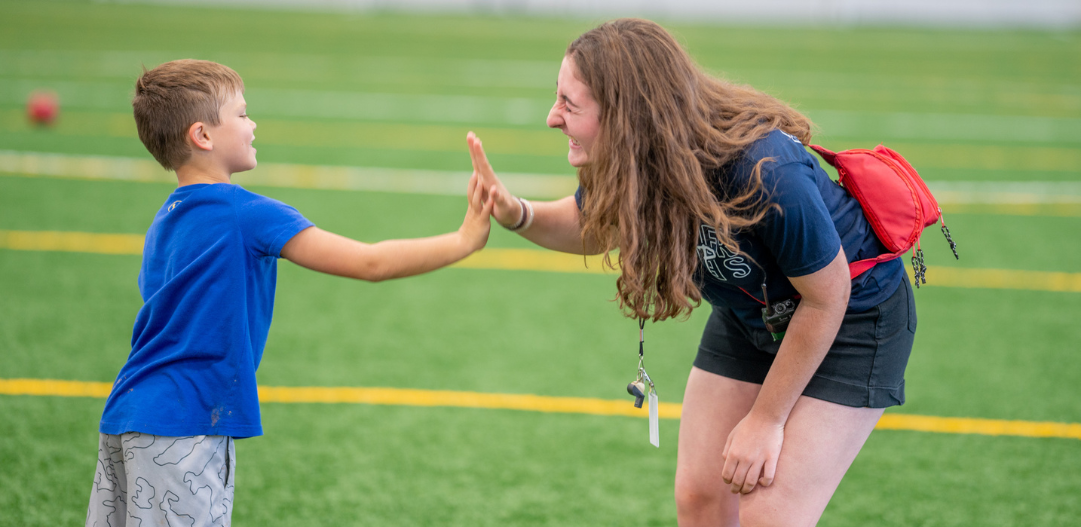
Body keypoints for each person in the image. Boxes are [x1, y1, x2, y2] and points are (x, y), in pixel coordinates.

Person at [467, 18, 916, 527]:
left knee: (769, 515)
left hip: (851, 317)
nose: (553, 117)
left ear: (628, 113)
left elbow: (827, 296)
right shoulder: (636, 154)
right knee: (701, 498)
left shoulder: (763, 167)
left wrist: (765, 421)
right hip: (755, 312)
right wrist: (517, 213)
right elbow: (594, 226)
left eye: (570, 103)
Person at [86, 59, 493, 527]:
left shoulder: (166, 218)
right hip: (185, 424)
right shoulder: (247, 213)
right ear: (202, 135)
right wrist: (464, 239)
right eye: (241, 114)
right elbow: (370, 263)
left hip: (128, 412)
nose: (252, 123)